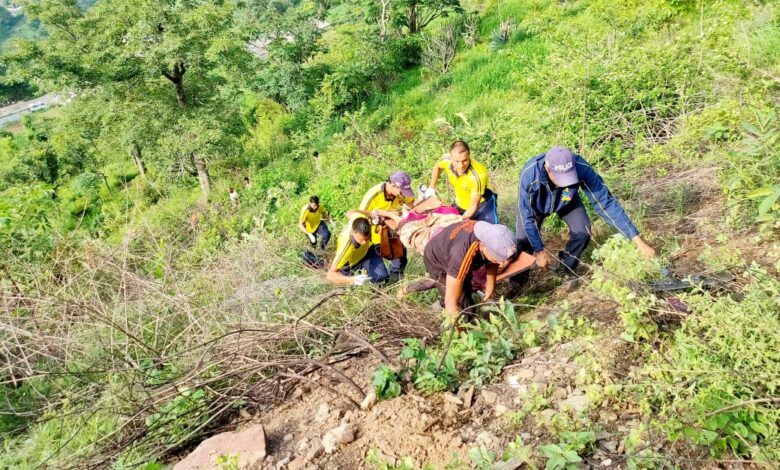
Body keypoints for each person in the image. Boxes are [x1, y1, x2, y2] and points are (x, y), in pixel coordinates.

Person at [517, 146, 656, 276]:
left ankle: (565, 268)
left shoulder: (581, 168)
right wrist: (540, 250)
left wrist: (637, 241)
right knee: (524, 242)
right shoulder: (530, 175)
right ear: (547, 168)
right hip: (535, 205)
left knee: (583, 232)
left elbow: (605, 203)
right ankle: (517, 283)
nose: (564, 181)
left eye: (568, 177)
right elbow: (526, 217)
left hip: (566, 198)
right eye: (560, 178)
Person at [423, 219, 517, 320]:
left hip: (451, 246)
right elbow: (452, 302)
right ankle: (440, 317)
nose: (501, 264)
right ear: (482, 246)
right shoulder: (461, 255)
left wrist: (490, 286)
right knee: (465, 311)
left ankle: (442, 301)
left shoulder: (497, 236)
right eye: (496, 258)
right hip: (437, 259)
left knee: (464, 288)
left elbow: (491, 262)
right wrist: (459, 330)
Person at [351, 171, 416, 279]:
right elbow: (359, 217)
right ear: (393, 185)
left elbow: (410, 202)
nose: (402, 194)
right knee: (379, 274)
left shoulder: (401, 193)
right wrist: (380, 217)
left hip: (395, 233)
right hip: (375, 235)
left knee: (400, 260)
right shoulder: (373, 196)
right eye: (401, 191)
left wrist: (402, 211)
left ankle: (396, 278)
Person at [425, 140, 498, 224]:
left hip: (481, 205)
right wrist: (431, 187)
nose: (461, 166)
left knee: (489, 232)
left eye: (464, 160)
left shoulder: (478, 175)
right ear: (451, 157)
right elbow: (438, 166)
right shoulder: (446, 160)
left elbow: (473, 206)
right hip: (460, 202)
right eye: (457, 161)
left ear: (469, 155)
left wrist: (459, 221)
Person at [327, 214, 389, 285]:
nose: (364, 242)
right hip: (351, 263)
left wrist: (375, 217)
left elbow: (350, 213)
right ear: (353, 233)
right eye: (361, 240)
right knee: (355, 287)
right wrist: (354, 280)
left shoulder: (361, 219)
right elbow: (330, 275)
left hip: (367, 252)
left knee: (381, 277)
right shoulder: (345, 247)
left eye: (367, 238)